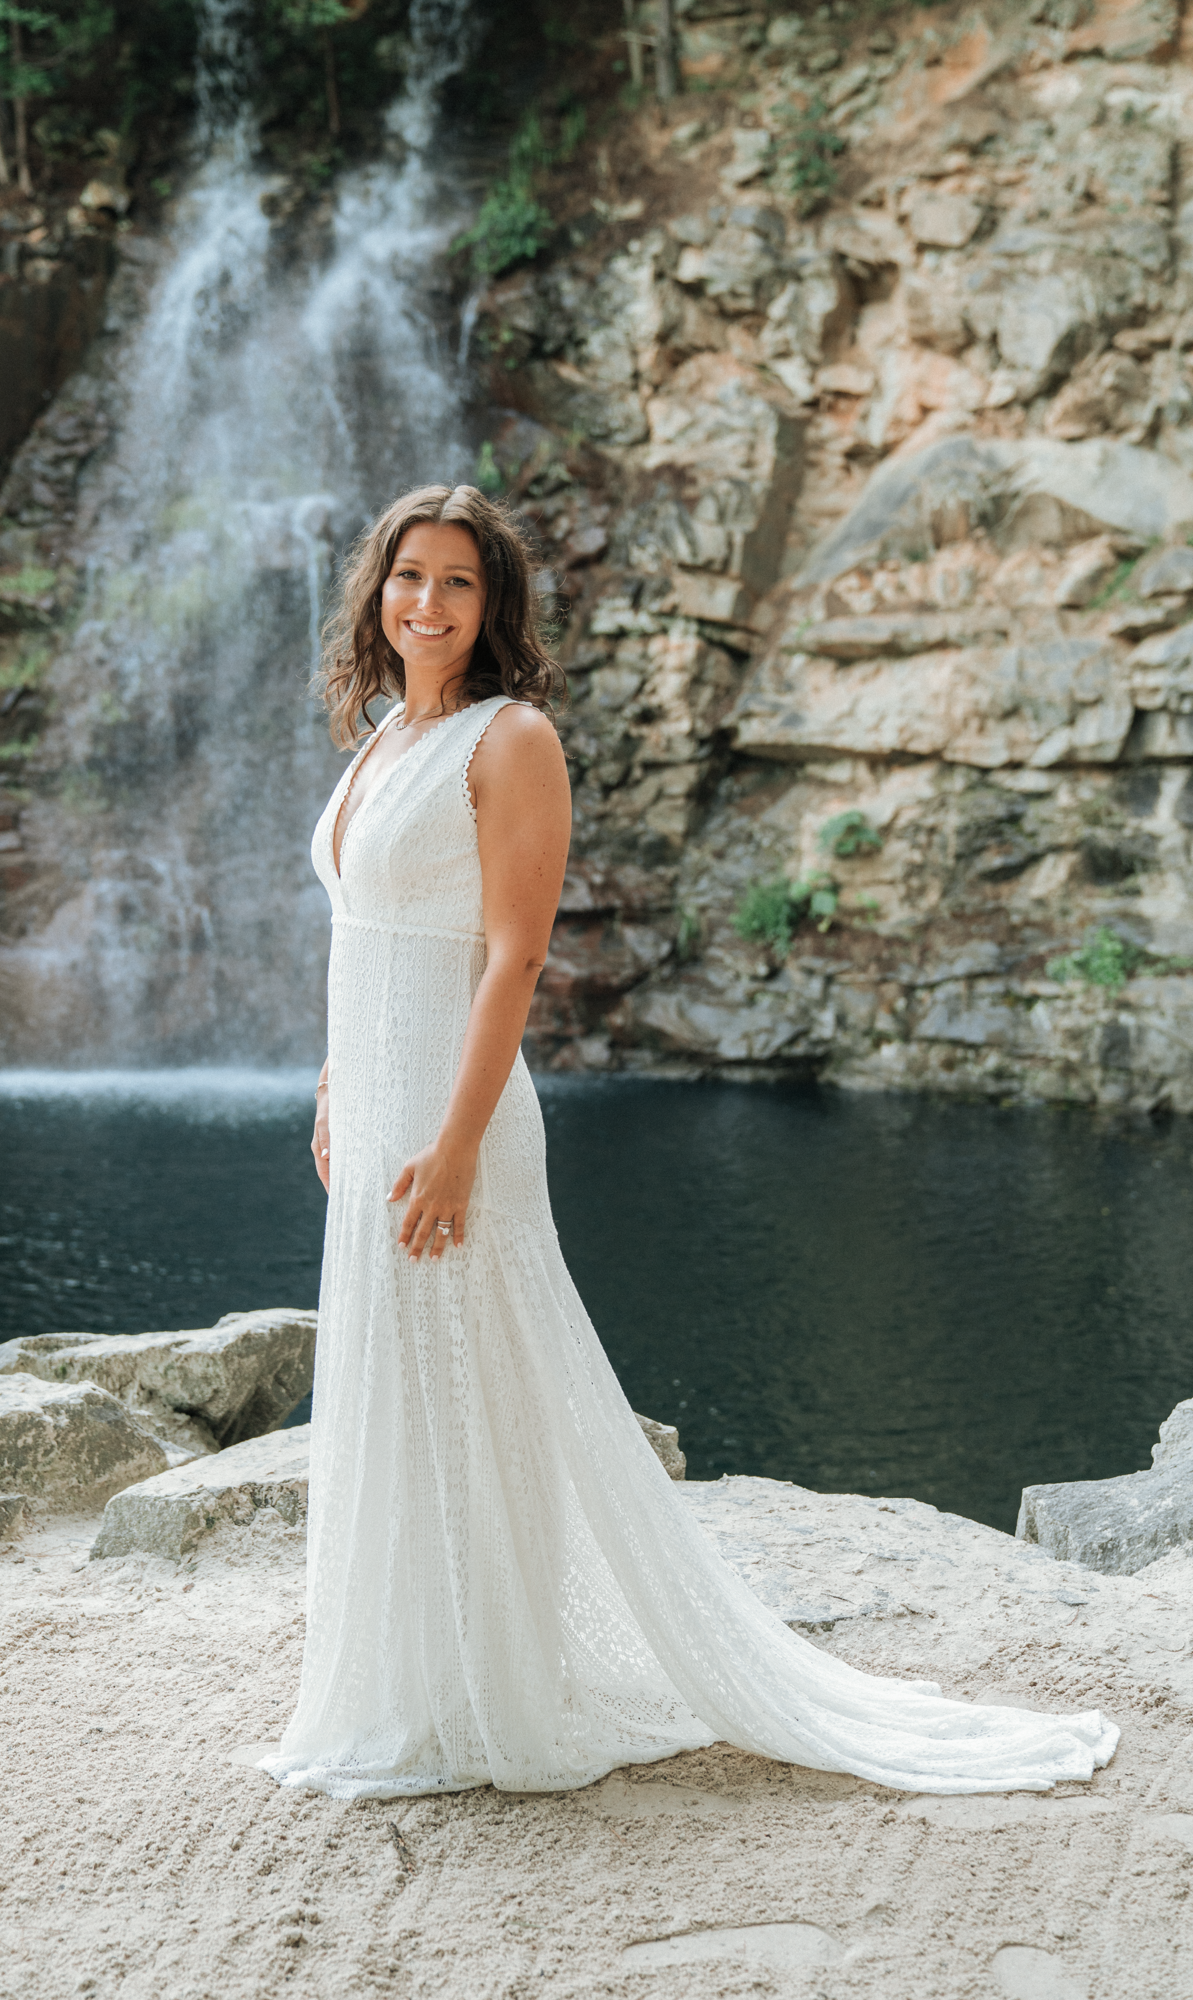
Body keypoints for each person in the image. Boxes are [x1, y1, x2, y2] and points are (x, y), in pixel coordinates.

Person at [262, 483, 1117, 1801]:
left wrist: (453, 1143)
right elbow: (370, 939)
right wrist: (333, 1083)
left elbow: (514, 955)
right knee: (410, 1395)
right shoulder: (379, 737)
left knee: (484, 1396)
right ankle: (420, 1684)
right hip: (377, 1105)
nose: (426, 603)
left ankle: (500, 1693)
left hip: (454, 1112)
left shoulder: (511, 738)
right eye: (408, 577)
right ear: (377, 591)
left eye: (458, 583)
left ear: (495, 609)